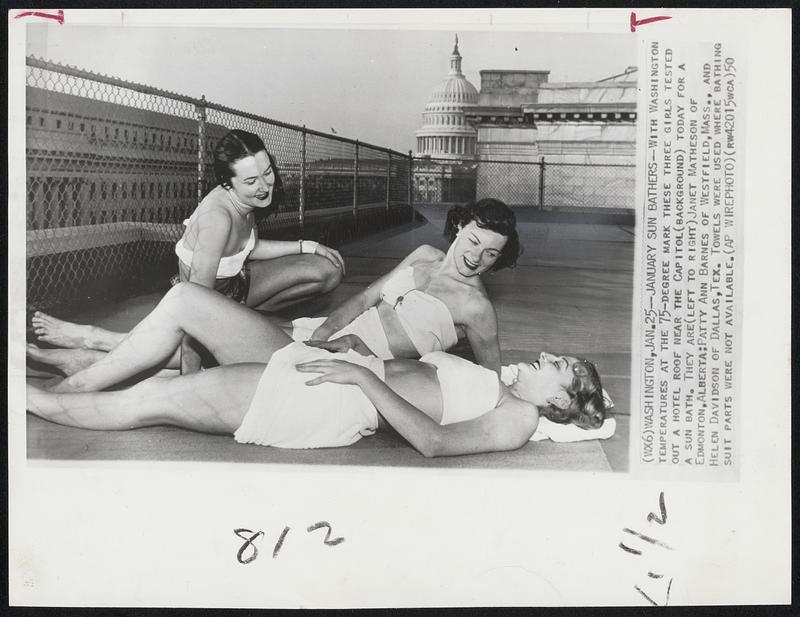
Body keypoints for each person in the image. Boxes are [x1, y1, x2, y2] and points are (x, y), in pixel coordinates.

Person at [26, 283, 606, 457]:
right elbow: (420, 378)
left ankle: (37, 399)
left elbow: (432, 441)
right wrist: (358, 351)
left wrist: (364, 377)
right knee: (184, 300)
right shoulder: (498, 386)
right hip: (331, 365)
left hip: (327, 397)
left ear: (559, 404)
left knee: (153, 397)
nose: (550, 357)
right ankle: (71, 379)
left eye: (562, 370)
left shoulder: (518, 418)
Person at [29, 198, 521, 374]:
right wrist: (323, 330)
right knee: (195, 353)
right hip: (319, 335)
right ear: (459, 228)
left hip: (343, 362)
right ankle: (83, 350)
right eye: (474, 240)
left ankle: (87, 346)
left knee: (199, 347)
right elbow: (364, 298)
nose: (476, 256)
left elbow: (489, 374)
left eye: (491, 254)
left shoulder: (477, 308)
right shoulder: (425, 256)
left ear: (500, 260)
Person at [170, 129, 345, 372]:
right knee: (288, 349)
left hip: (236, 287)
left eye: (267, 173)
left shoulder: (244, 199)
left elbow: (246, 248)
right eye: (251, 181)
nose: (264, 186)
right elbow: (194, 307)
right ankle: (111, 342)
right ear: (227, 183)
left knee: (329, 269)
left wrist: (309, 246)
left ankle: (245, 326)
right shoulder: (217, 219)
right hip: (209, 301)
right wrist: (189, 381)